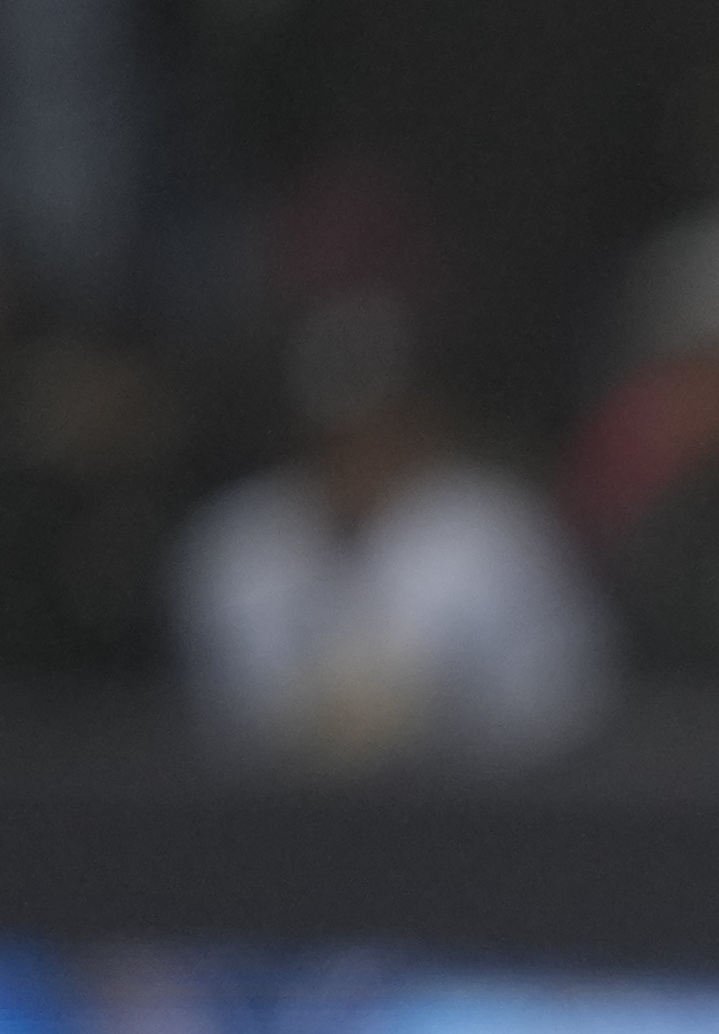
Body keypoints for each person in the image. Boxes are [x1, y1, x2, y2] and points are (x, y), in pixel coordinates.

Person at [176, 293, 606, 767]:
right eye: (341, 432)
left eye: (380, 425)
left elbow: (568, 690)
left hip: (470, 807)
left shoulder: (496, 526)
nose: (362, 449)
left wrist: (437, 708)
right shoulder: (238, 536)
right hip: (274, 812)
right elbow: (217, 703)